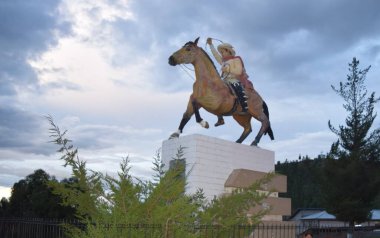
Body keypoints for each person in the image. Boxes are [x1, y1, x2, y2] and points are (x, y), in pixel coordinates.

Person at [206, 38, 253, 127]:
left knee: (237, 88)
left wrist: (227, 69)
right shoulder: (223, 61)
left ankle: (244, 107)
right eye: (221, 52)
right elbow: (216, 56)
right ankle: (220, 117)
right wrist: (211, 45)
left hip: (233, 80)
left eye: (223, 52)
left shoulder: (236, 59)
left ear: (228, 51)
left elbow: (238, 71)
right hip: (224, 80)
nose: (221, 54)